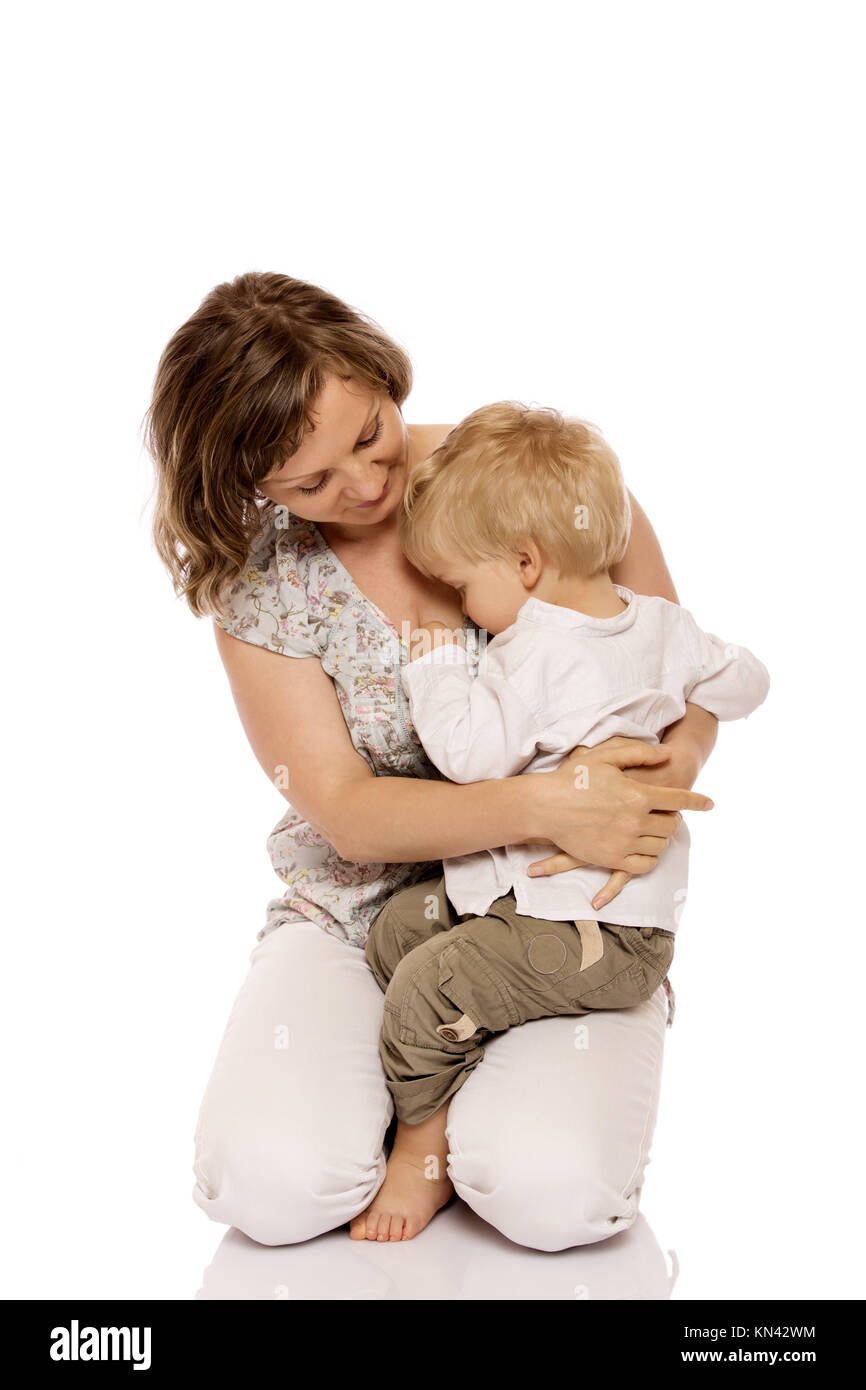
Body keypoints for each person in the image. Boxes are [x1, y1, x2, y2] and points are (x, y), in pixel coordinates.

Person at [146, 271, 719, 1251]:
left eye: (368, 435)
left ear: (380, 372)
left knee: (550, 1196)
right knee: (271, 1184)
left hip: (561, 900)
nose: (365, 486)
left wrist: (636, 802)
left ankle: (455, 1104)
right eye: (311, 483)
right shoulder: (262, 580)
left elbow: (683, 675)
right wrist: (548, 800)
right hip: (364, 907)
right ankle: (403, 1080)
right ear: (254, 488)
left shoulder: (535, 477)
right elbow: (348, 811)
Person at [362, 400, 770, 1239]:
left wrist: (438, 661)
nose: (466, 610)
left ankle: (419, 1153)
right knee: (400, 928)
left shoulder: (535, 652)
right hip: (574, 911)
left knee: (416, 988)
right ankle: (489, 1031)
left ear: (525, 562)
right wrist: (683, 727)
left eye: (465, 586)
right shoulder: (657, 624)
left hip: (595, 932)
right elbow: (749, 681)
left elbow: (468, 756)